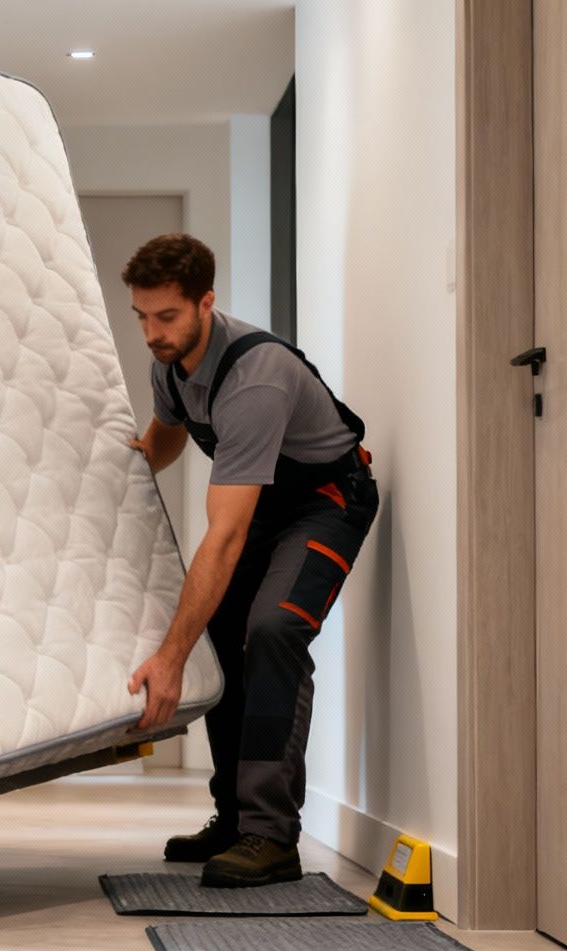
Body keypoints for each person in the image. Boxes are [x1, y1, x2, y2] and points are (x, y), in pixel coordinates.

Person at [121, 233, 377, 887]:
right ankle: (235, 819)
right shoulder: (169, 362)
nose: (152, 333)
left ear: (205, 303)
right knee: (223, 637)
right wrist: (111, 474)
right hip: (265, 508)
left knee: (272, 631)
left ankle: (271, 836)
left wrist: (169, 659)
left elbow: (226, 534)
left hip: (326, 502)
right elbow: (165, 437)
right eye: (142, 317)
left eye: (167, 316)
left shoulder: (253, 378)